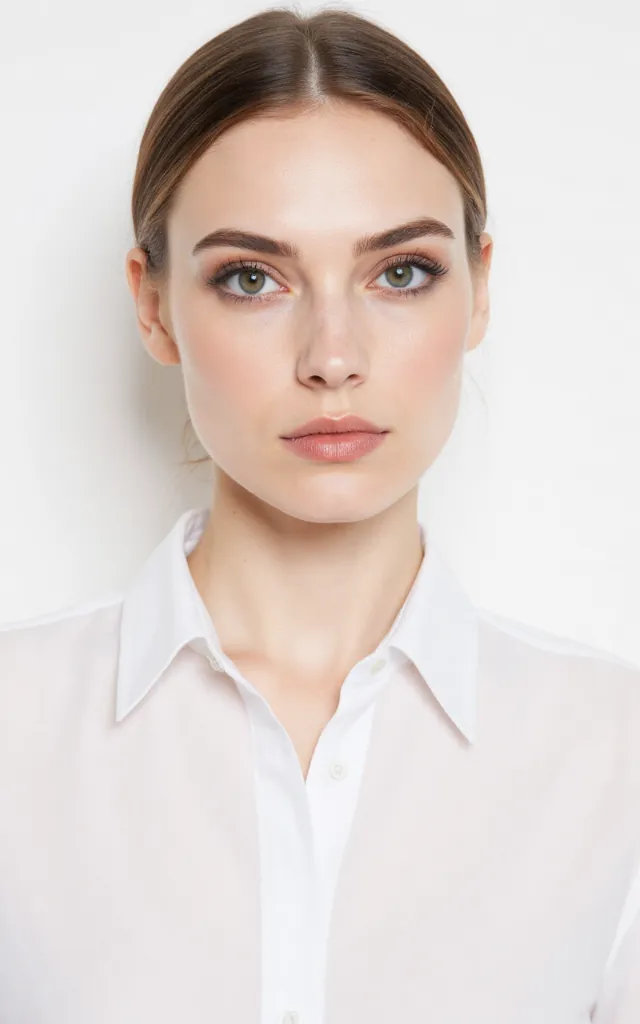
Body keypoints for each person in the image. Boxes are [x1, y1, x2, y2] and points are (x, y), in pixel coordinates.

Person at [1, 6, 639, 1022]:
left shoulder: (614, 757)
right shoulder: (13, 736)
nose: (331, 355)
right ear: (153, 305)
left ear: (477, 291)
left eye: (401, 272)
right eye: (250, 278)